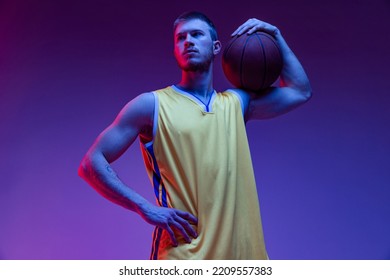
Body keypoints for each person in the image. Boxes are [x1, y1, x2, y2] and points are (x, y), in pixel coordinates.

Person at [78, 11, 311, 260]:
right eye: (180, 38)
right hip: (184, 256)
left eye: (197, 35)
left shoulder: (238, 103)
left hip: (242, 257)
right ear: (175, 49)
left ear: (216, 47)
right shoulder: (151, 105)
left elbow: (299, 90)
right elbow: (91, 163)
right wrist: (144, 208)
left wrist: (276, 35)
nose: (188, 41)